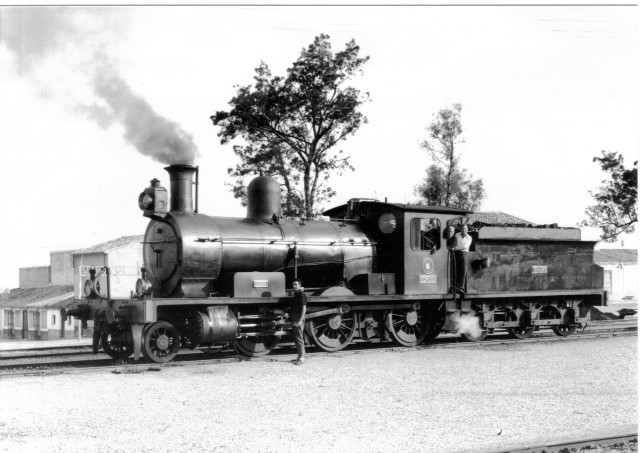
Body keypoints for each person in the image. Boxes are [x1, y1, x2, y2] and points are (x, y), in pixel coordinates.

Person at [290, 279, 307, 365]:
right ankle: (300, 356)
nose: (294, 286)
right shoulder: (296, 294)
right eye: (293, 285)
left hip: (298, 317)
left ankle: (302, 358)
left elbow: (304, 308)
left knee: (299, 338)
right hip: (294, 317)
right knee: (297, 338)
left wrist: (300, 320)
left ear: (300, 285)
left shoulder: (302, 295)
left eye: (295, 284)